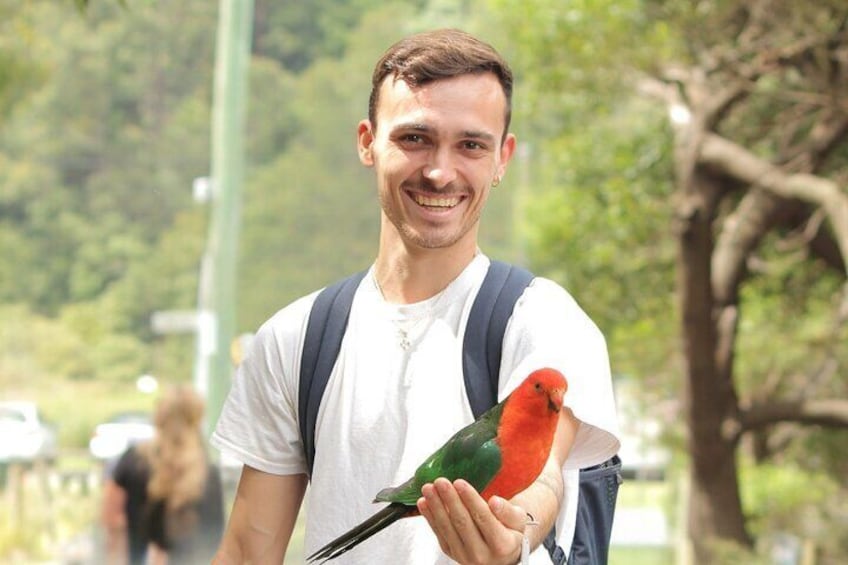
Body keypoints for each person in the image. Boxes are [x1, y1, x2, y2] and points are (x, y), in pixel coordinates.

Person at [211, 28, 619, 564]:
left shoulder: (544, 321)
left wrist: (514, 536)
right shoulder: (295, 339)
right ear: (367, 142)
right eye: (414, 138)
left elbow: (543, 479)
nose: (440, 171)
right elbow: (247, 551)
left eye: (470, 145)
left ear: (502, 158)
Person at [101, 385, 224, 564]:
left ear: (159, 416)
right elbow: (214, 539)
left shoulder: (133, 460)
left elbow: (111, 519)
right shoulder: (208, 474)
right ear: (198, 419)